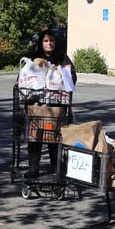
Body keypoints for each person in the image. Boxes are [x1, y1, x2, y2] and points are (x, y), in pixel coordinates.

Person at [26, 28, 77, 177]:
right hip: (37, 104)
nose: (49, 43)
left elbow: (72, 77)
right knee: (35, 137)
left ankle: (56, 168)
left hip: (56, 106)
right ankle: (33, 168)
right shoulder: (35, 57)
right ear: (41, 43)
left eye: (52, 40)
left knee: (54, 138)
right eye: (46, 41)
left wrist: (60, 74)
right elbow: (25, 77)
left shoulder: (62, 58)